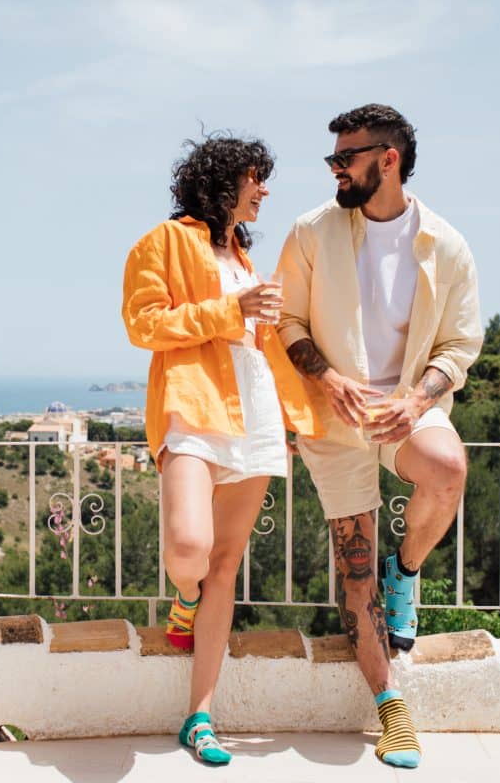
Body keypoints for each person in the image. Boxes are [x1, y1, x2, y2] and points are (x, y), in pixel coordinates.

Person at [276, 104, 483, 769]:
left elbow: (459, 345)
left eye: (347, 158)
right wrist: (328, 378)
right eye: (333, 159)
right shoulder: (312, 232)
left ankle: (410, 571)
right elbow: (286, 323)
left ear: (387, 159)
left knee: (448, 468)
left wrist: (419, 398)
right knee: (354, 578)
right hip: (335, 424)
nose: (335, 169)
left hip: (404, 410)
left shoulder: (445, 245)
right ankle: (392, 709)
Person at [122, 134, 323, 766]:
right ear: (223, 180)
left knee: (227, 564)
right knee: (190, 554)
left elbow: (259, 340)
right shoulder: (164, 241)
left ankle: (200, 715)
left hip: (256, 412)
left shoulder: (242, 256)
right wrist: (227, 308)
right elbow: (143, 324)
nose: (263, 190)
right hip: (193, 405)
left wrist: (298, 412)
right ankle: (184, 602)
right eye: (255, 178)